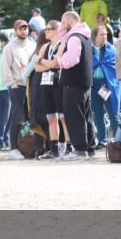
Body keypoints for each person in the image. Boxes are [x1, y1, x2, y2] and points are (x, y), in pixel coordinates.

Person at [41, 11, 93, 161]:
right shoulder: (85, 35)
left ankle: (79, 149)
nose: (61, 26)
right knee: (86, 116)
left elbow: (71, 60)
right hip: (84, 82)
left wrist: (59, 59)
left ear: (70, 21)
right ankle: (89, 147)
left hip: (73, 82)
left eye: (63, 23)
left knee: (75, 116)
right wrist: (64, 34)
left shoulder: (74, 38)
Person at [32, 22, 69, 159]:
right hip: (45, 84)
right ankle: (54, 149)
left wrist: (41, 60)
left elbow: (57, 63)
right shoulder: (45, 46)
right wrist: (47, 63)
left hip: (58, 84)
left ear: (57, 30)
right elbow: (37, 68)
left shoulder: (62, 44)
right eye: (46, 29)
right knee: (51, 117)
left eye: (49, 29)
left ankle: (67, 146)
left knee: (62, 117)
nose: (46, 31)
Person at [3, 20, 35, 159]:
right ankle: (14, 147)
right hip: (17, 86)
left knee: (31, 116)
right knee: (17, 116)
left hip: (31, 85)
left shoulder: (33, 45)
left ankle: (29, 145)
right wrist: (12, 83)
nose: (24, 31)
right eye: (21, 29)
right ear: (16, 30)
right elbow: (5, 67)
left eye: (25, 29)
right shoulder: (10, 47)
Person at [90, 25, 120, 145]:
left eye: (106, 34)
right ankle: (102, 140)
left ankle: (119, 140)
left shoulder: (111, 49)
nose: (104, 37)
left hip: (107, 84)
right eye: (101, 34)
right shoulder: (89, 49)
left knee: (113, 114)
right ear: (94, 36)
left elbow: (113, 67)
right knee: (98, 115)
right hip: (93, 85)